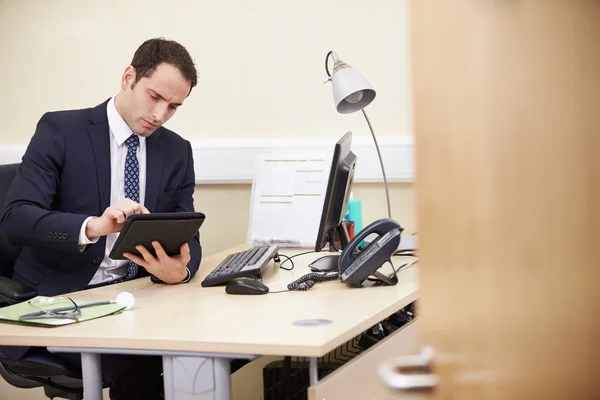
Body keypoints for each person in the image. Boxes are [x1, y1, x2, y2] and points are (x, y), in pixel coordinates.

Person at [0, 37, 201, 400]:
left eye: (173, 106)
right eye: (154, 97)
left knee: (209, 348)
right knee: (150, 363)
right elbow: (15, 218)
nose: (160, 115)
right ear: (128, 78)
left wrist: (180, 271)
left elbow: (190, 237)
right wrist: (92, 227)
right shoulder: (61, 130)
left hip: (136, 299)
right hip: (63, 299)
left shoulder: (176, 151)